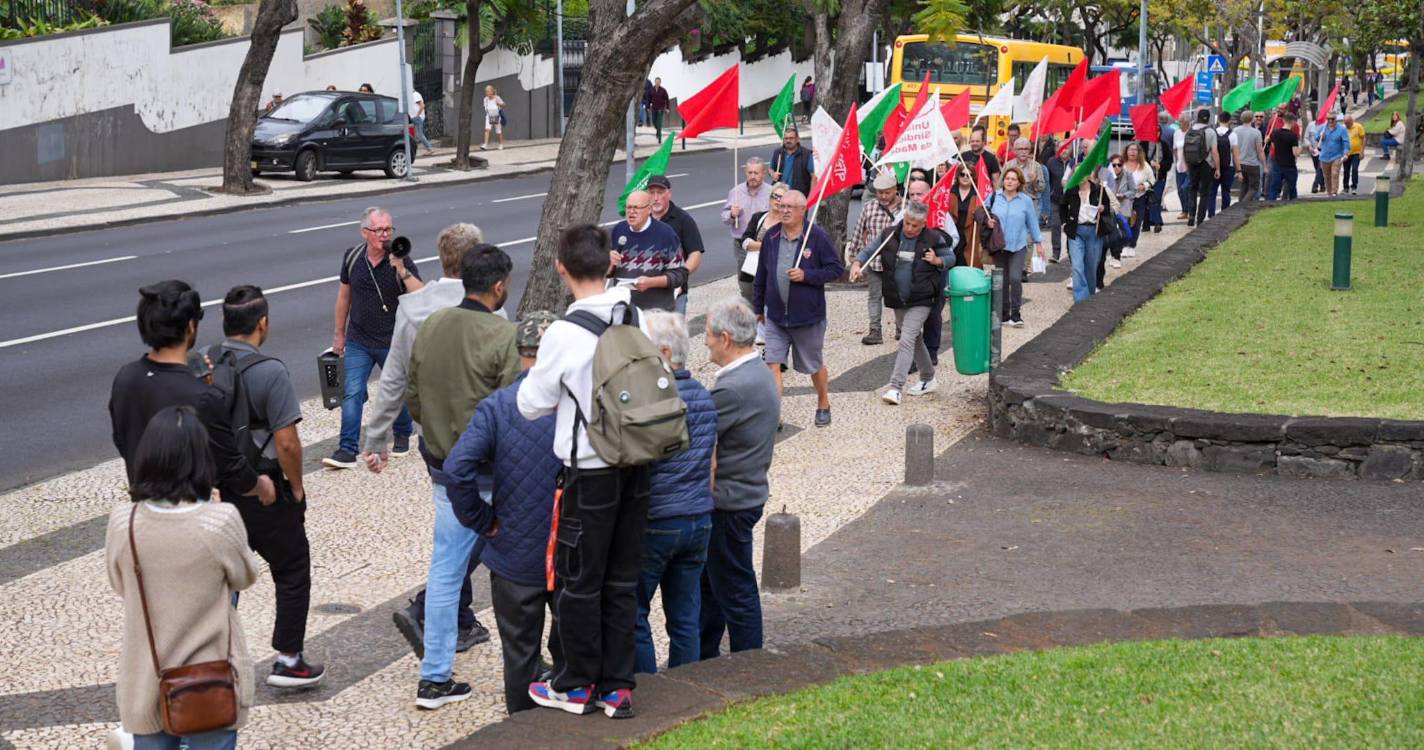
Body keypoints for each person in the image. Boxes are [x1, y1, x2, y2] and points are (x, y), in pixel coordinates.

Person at [520, 224, 653, 720]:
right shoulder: (631, 313)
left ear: (561, 268)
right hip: (636, 465)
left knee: (579, 581)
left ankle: (575, 683)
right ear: (610, 263)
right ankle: (618, 688)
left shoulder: (562, 331)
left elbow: (533, 403)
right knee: (621, 580)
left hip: (590, 471)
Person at [367, 225, 499, 662]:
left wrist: (377, 435)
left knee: (458, 526)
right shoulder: (490, 313)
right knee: (482, 529)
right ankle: (432, 609)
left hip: (436, 442)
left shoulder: (415, 308)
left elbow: (395, 380)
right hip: (482, 446)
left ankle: (455, 615)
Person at [403, 245, 522, 710]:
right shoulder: (503, 335)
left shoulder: (432, 324)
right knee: (519, 570)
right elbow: (515, 409)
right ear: (498, 286)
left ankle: (435, 676)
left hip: (442, 465)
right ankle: (534, 663)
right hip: (489, 474)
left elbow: (413, 394)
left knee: (447, 570)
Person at [106, 406, 261, 750]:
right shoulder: (219, 521)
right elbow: (245, 576)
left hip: (145, 677)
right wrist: (212, 507)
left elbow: (121, 586)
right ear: (201, 459)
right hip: (211, 679)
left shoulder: (123, 523)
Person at [440, 311, 561, 715]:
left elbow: (457, 470)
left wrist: (482, 520)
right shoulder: (577, 403)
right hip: (570, 554)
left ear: (520, 351)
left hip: (512, 557)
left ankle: (521, 728)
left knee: (520, 657)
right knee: (574, 656)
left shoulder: (497, 407)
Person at [215, 286, 323, 689]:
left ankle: (216, 658)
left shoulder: (205, 364)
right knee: (293, 566)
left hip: (219, 492)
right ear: (262, 323)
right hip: (266, 491)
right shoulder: (270, 372)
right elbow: (287, 442)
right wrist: (296, 488)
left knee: (224, 577)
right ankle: (288, 659)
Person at [109, 280, 275, 506]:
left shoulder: (126, 377)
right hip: (189, 515)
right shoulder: (203, 396)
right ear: (190, 326)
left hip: (143, 509)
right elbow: (230, 466)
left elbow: (122, 440)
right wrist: (261, 485)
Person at [633, 312, 716, 675]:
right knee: (685, 617)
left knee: (635, 613)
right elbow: (710, 463)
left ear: (664, 353)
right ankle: (687, 689)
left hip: (658, 519)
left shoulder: (652, 400)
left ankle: (649, 686)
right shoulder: (704, 395)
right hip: (698, 518)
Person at [700, 296, 780, 659]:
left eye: (708, 334)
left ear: (726, 338)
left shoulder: (731, 388)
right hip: (746, 493)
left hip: (729, 502)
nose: (705, 341)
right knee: (714, 585)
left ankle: (750, 661)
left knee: (734, 588)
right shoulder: (759, 372)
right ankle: (703, 654)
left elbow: (695, 434)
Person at [328, 207, 422, 469]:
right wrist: (339, 333)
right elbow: (344, 296)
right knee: (352, 392)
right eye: (379, 230)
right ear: (365, 232)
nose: (384, 235)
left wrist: (401, 268)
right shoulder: (353, 257)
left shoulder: (401, 258)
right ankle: (347, 449)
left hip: (392, 340)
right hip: (359, 339)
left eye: (388, 229)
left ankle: (403, 431)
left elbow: (421, 294)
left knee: (396, 392)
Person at [849, 199, 955, 403]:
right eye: (907, 223)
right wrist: (857, 263)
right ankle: (928, 378)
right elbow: (869, 250)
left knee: (906, 339)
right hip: (897, 298)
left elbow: (950, 258)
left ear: (923, 224)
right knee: (914, 340)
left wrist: (937, 260)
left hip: (923, 298)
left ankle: (895, 387)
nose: (909, 228)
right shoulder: (889, 234)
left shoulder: (933, 238)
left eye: (915, 226)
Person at [753, 190, 843, 428]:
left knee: (814, 366)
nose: (784, 211)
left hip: (807, 318)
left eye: (790, 207)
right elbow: (761, 273)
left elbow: (835, 269)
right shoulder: (771, 236)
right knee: (773, 363)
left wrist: (807, 275)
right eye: (781, 206)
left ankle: (823, 402)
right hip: (775, 317)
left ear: (803, 210)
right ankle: (774, 416)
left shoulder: (817, 237)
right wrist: (757, 306)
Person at [610, 190, 686, 312]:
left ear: (649, 209)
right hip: (625, 310)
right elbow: (608, 272)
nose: (631, 212)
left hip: (656, 313)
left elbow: (679, 275)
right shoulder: (619, 230)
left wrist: (651, 282)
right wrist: (609, 264)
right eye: (628, 207)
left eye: (636, 208)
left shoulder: (665, 233)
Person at [987, 169, 1046, 325]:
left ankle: (1016, 313)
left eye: (1013, 179)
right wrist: (987, 221)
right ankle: (1004, 314)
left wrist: (1038, 243)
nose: (1010, 181)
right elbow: (982, 213)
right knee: (1003, 280)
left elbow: (1032, 222)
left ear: (1019, 182)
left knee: (1015, 278)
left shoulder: (1025, 200)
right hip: (999, 246)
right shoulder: (994, 197)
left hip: (1018, 246)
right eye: (1007, 178)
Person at [849, 170, 902, 345]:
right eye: (880, 193)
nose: (883, 196)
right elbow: (858, 230)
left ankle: (901, 329)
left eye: (887, 192)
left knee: (898, 295)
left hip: (897, 262)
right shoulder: (870, 207)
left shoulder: (905, 208)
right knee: (874, 295)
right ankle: (875, 330)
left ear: (895, 190)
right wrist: (854, 254)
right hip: (874, 261)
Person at [738, 183, 789, 346]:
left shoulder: (788, 223)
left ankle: (768, 333)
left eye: (781, 197)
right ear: (770, 198)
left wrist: (760, 245)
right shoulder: (758, 217)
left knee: (771, 298)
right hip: (753, 267)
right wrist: (759, 245)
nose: (777, 200)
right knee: (752, 296)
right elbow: (745, 239)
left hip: (775, 268)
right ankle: (758, 329)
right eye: (775, 196)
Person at [647, 175, 704, 315]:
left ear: (669, 193)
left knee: (673, 335)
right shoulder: (641, 219)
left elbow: (695, 254)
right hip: (645, 292)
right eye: (651, 193)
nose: (655, 198)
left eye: (660, 193)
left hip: (673, 292)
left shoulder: (683, 220)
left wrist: (680, 274)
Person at [720, 157, 773, 304]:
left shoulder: (771, 193)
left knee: (767, 283)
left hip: (765, 246)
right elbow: (724, 218)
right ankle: (751, 318)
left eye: (756, 173)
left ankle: (766, 316)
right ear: (745, 172)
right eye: (750, 172)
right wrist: (731, 214)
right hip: (743, 247)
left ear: (763, 173)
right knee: (747, 287)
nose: (753, 176)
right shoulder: (736, 192)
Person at [1061, 166, 1109, 303]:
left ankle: (1090, 294)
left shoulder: (1099, 190)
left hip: (1094, 230)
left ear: (1088, 174)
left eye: (1083, 172)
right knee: (1077, 266)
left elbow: (1108, 208)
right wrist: (1065, 223)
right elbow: (1062, 206)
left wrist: (1103, 209)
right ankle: (1081, 299)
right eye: (1077, 173)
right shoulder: (1071, 190)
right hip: (1076, 231)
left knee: (1091, 265)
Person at [1181, 108, 1220, 227]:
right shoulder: (1211, 132)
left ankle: (1191, 216)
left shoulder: (1190, 130)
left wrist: (1187, 164)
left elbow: (1185, 149)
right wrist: (1218, 168)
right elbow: (1214, 151)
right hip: (1206, 164)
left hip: (1192, 163)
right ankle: (1200, 220)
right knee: (1204, 193)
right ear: (1208, 119)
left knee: (1192, 189)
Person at [946, 166, 986, 268]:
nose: (965, 177)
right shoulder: (949, 192)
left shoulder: (978, 195)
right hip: (952, 232)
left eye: (969, 175)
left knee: (967, 263)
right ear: (958, 176)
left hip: (970, 234)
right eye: (962, 174)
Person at [1121, 143, 1154, 256]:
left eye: (1135, 150)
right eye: (1130, 149)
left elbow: (1152, 180)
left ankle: (1132, 245)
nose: (1132, 152)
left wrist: (1144, 186)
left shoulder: (1144, 165)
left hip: (1139, 198)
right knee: (1124, 222)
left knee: (1136, 222)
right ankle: (1124, 245)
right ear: (1126, 151)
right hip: (1124, 199)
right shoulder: (1121, 164)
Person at [1004, 137, 1046, 220]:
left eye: (1026, 149)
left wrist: (1035, 180)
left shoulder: (1036, 166)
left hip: (1031, 204)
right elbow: (1001, 186)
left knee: (1029, 232)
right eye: (1020, 149)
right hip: (1012, 203)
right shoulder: (1008, 165)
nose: (1023, 152)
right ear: (1015, 151)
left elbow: (1042, 188)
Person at [1043, 137, 1070, 255]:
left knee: (1071, 227)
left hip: (1071, 200)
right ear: (1057, 149)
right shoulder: (1051, 162)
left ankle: (1071, 252)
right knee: (1055, 226)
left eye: (1067, 148)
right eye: (1061, 148)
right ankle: (1056, 252)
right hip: (1055, 199)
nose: (1064, 150)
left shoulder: (1074, 163)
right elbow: (1047, 181)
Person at [1232, 108, 1266, 203]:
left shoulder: (1235, 130)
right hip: (1252, 164)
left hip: (1240, 163)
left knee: (1244, 185)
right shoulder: (1256, 132)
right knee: (1254, 187)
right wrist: (1265, 165)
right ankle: (1243, 204)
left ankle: (1240, 204)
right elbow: (1259, 151)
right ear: (1252, 119)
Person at [1266, 113, 1301, 201]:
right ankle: (1293, 203)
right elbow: (1295, 153)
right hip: (1289, 165)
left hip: (1277, 163)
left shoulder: (1275, 133)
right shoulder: (1293, 136)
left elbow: (1273, 147)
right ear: (1293, 122)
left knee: (1274, 187)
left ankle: (1271, 203)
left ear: (1283, 120)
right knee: (1292, 187)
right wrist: (1300, 149)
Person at [768, 128, 814, 196]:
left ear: (797, 139)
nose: (788, 140)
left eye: (791, 138)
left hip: (798, 195)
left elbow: (814, 176)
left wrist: (811, 197)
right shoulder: (778, 152)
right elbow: (770, 169)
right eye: (786, 138)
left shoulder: (806, 154)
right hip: (779, 194)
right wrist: (773, 174)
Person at [1317, 112, 1350, 197]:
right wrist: (1320, 136)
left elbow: (1346, 142)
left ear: (1336, 119)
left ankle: (1334, 192)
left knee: (1335, 174)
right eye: (1328, 119)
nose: (1330, 121)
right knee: (1327, 176)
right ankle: (1329, 193)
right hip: (1324, 156)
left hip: (1336, 156)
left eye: (1333, 119)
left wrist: (1346, 152)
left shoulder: (1342, 129)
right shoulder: (1322, 128)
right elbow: (1316, 138)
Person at [1210, 111, 1237, 214]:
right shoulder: (1232, 134)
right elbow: (1235, 154)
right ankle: (1224, 213)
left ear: (1218, 120)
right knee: (1226, 192)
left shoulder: (1213, 132)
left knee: (1212, 191)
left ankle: (1211, 214)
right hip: (1228, 166)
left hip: (1213, 166)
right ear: (1229, 121)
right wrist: (1238, 169)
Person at [1171, 115, 1194, 221]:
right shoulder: (1177, 133)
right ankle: (1184, 210)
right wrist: (1176, 161)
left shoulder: (1193, 133)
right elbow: (1175, 148)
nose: (1179, 124)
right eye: (1179, 122)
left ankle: (1191, 211)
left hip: (1191, 167)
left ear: (1187, 122)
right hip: (1179, 166)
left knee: (1187, 188)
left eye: (1181, 122)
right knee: (1180, 190)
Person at [1343, 114, 1366, 194]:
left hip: (1356, 152)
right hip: (1346, 153)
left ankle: (1354, 187)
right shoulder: (1343, 128)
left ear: (1351, 121)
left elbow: (1363, 139)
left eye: (1348, 123)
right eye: (1345, 123)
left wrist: (1362, 151)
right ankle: (1345, 187)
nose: (1346, 125)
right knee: (1346, 170)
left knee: (1354, 169)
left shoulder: (1358, 127)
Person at [482, 85, 506, 150]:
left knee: (498, 131)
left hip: (497, 116)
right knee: (487, 130)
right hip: (489, 116)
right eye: (487, 92)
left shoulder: (497, 97)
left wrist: (498, 104)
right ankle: (485, 144)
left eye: (489, 91)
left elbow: (504, 104)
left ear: (492, 91)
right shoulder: (485, 99)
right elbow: (485, 107)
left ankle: (501, 144)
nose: (488, 93)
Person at [649, 77, 670, 142]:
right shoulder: (651, 90)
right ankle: (658, 132)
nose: (657, 83)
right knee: (654, 122)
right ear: (654, 82)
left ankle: (659, 138)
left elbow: (667, 99)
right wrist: (647, 106)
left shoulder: (663, 90)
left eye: (658, 82)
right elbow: (649, 99)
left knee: (659, 123)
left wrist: (667, 108)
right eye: (656, 82)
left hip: (661, 108)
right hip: (654, 108)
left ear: (660, 82)